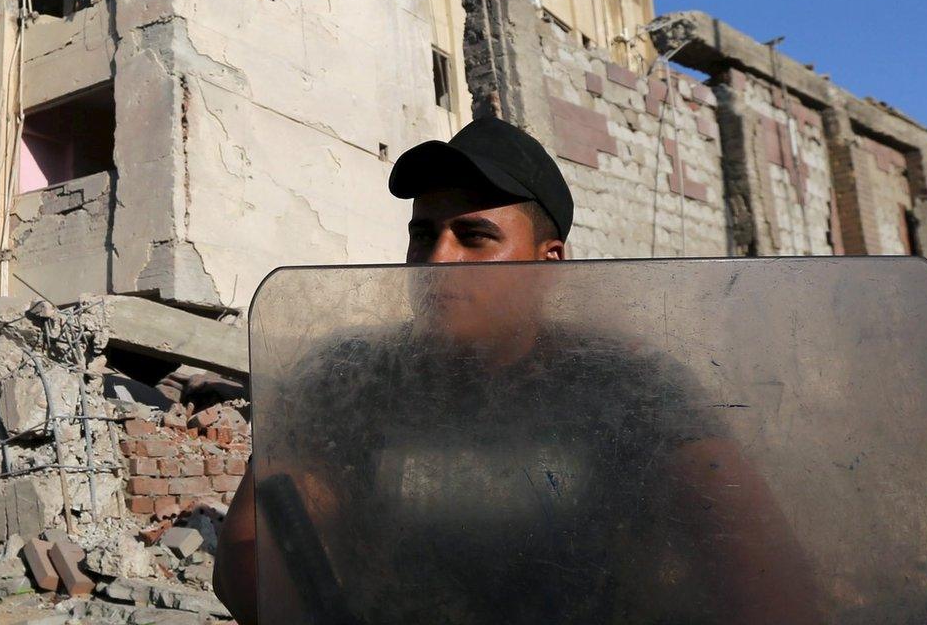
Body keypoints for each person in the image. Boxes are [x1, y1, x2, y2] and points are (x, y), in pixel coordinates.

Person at [213, 118, 818, 624]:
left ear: (548, 262)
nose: (436, 260)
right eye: (423, 236)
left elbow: (764, 577)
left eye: (475, 236)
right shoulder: (347, 380)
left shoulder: (628, 386)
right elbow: (250, 555)